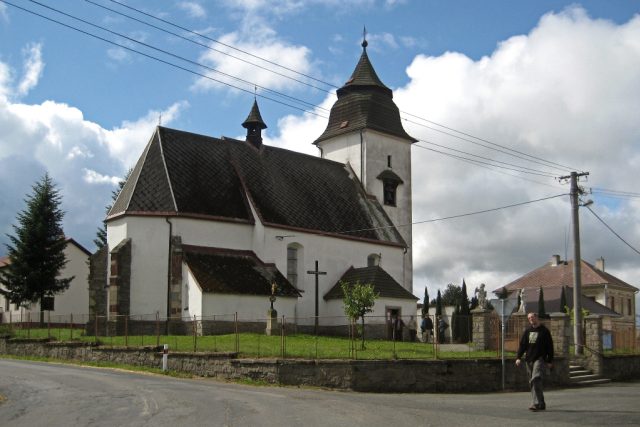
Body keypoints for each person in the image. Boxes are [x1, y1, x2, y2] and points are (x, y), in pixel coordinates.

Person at [515, 312, 554, 411]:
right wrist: (518, 357)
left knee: (535, 379)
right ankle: (541, 403)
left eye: (532, 317)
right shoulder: (528, 331)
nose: (531, 319)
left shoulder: (544, 331)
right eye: (529, 318)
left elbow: (550, 346)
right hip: (529, 359)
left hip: (540, 359)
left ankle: (535, 403)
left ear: (537, 317)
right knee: (533, 382)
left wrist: (549, 360)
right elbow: (523, 345)